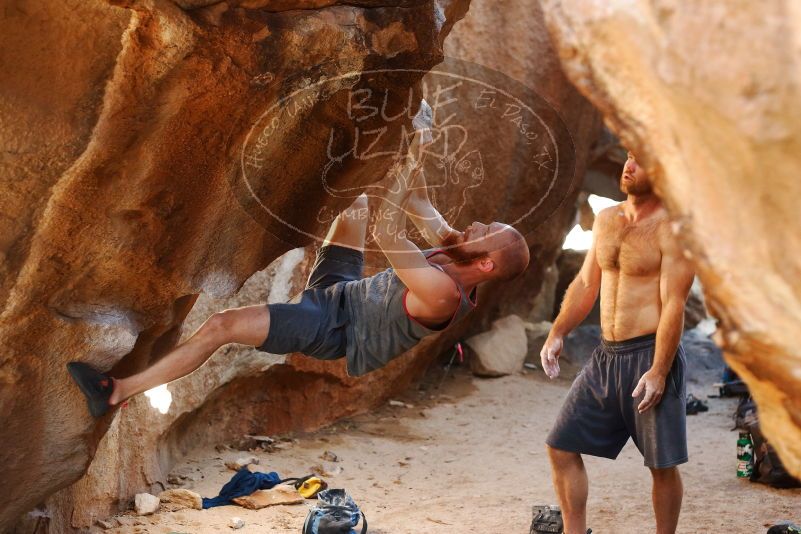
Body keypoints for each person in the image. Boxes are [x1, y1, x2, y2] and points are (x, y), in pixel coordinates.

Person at [68, 105, 530, 418]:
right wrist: (418, 138)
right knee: (355, 202)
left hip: (334, 328)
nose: (476, 226)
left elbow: (389, 233)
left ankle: (116, 394)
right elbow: (419, 204)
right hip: (343, 292)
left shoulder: (444, 295)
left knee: (223, 326)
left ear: (485, 264)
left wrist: (416, 155)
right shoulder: (455, 250)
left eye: (485, 233)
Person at [539, 152, 695, 534]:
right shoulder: (608, 219)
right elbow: (586, 284)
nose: (629, 166)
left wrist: (659, 371)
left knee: (662, 466)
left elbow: (675, 304)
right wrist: (558, 332)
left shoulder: (675, 230)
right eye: (628, 157)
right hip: (605, 358)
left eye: (640, 161)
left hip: (649, 354)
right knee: (560, 445)